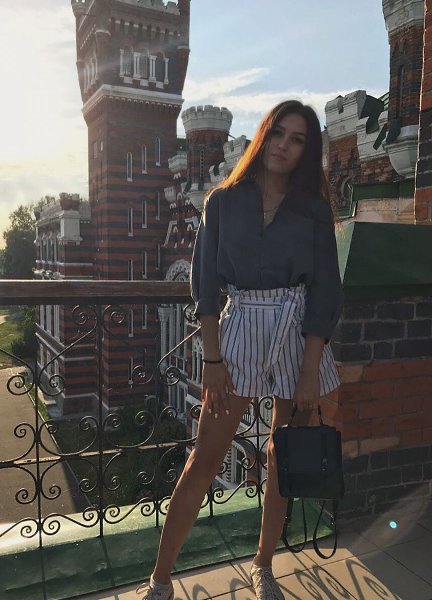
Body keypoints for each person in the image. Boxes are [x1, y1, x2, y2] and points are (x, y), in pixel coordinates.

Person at [139, 100, 343, 600]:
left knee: (282, 457)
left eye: (297, 139)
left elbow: (325, 290)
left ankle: (263, 565)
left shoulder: (313, 210)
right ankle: (160, 580)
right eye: (278, 133)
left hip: (297, 332)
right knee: (204, 459)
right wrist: (211, 360)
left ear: (307, 150)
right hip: (240, 330)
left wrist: (309, 370)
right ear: (264, 135)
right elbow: (205, 286)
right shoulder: (223, 202)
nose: (284, 145)